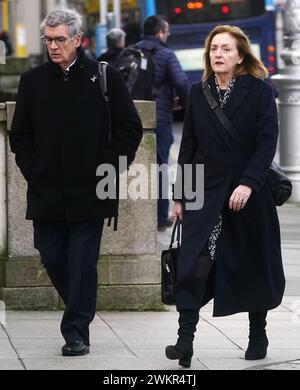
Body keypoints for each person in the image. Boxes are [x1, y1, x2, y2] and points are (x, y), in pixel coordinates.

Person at [9, 8, 142, 357]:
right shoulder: (32, 81)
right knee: (52, 256)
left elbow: (130, 128)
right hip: (46, 190)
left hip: (91, 190)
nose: (53, 46)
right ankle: (81, 305)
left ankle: (76, 331)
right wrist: (32, 168)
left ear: (77, 40)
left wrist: (108, 167)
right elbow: (19, 134)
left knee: (82, 261)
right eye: (48, 40)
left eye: (59, 40)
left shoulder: (105, 76)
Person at [166, 25, 285, 368]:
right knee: (192, 265)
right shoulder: (197, 92)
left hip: (249, 196)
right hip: (205, 195)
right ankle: (184, 341)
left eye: (226, 49)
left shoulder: (260, 92)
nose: (218, 54)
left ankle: (257, 333)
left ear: (240, 56)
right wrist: (180, 196)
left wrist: (248, 183)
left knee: (252, 265)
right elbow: (187, 147)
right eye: (214, 49)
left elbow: (266, 143)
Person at [135, 15, 189, 231]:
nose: (167, 36)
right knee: (160, 168)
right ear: (159, 33)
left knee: (134, 168)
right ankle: (158, 217)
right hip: (160, 118)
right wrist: (188, 108)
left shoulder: (130, 52)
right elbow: (181, 82)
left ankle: (137, 218)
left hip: (132, 117)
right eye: (166, 33)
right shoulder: (166, 55)